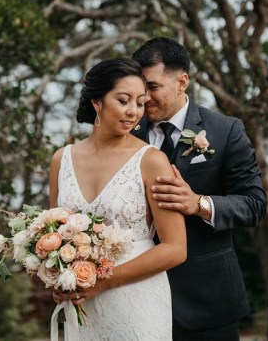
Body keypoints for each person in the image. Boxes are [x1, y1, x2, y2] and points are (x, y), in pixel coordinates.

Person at [131, 37, 267, 341]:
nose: (143, 99)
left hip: (208, 301)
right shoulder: (126, 132)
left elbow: (255, 204)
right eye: (139, 90)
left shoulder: (225, 130)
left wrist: (199, 204)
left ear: (182, 82)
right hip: (136, 299)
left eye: (152, 88)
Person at [49, 57, 187, 340]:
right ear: (97, 102)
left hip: (137, 301)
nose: (134, 111)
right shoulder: (62, 159)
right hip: (84, 303)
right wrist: (56, 278)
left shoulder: (151, 161)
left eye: (140, 102)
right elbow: (53, 237)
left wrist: (107, 281)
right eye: (123, 100)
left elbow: (175, 248)